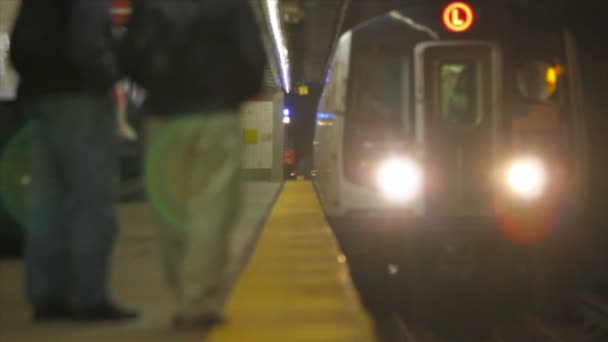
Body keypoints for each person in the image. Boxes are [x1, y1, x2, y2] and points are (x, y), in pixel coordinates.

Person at [120, 0, 265, 330]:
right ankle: (196, 302)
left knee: (170, 211)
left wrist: (159, 87)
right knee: (212, 211)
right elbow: (253, 59)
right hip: (215, 117)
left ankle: (186, 292)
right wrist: (232, 97)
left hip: (162, 120)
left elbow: (129, 55)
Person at [10, 0, 138, 321]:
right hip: (80, 96)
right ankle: (88, 297)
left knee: (46, 202)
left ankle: (46, 295)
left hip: (39, 99)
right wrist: (108, 77)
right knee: (92, 199)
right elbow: (88, 42)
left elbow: (17, 44)